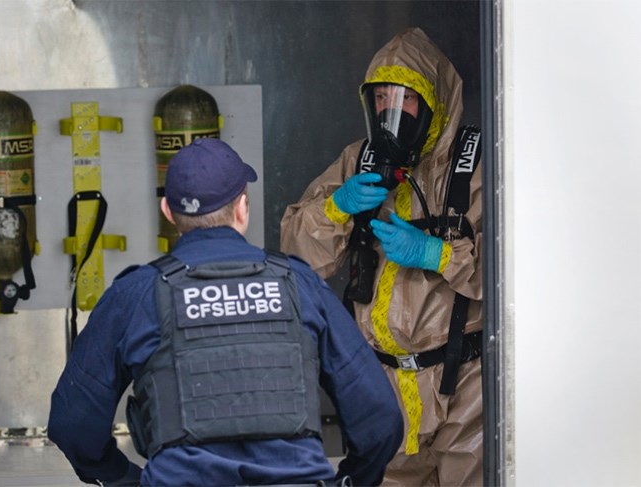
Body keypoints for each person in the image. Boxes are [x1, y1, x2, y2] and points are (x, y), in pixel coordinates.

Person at [48, 138, 403, 486]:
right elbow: (380, 420)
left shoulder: (135, 294)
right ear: (243, 209)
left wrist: (124, 478)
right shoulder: (301, 286)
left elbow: (73, 425)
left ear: (169, 212)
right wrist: (352, 480)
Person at [280, 28, 483, 486]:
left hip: (464, 389)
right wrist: (335, 208)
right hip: (381, 389)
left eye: (406, 99)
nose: (392, 110)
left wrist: (440, 254)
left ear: (435, 102)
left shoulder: (475, 169)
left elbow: (518, 277)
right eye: (382, 97)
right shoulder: (358, 161)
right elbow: (296, 254)